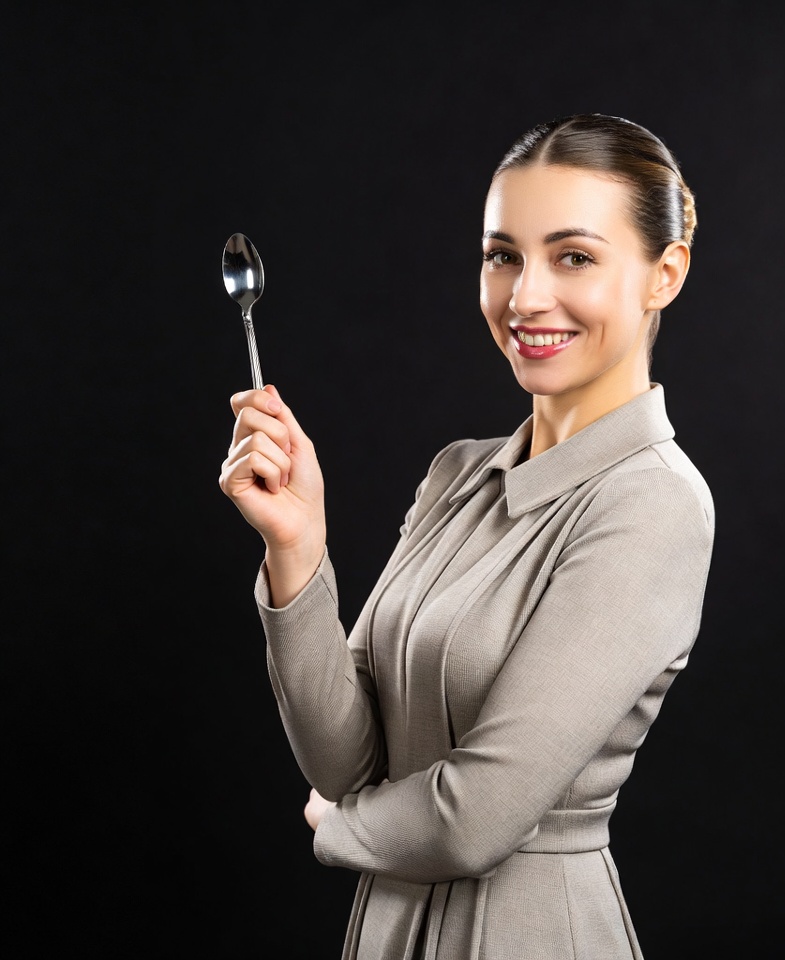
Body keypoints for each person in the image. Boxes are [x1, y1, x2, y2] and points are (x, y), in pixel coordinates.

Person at [219, 113, 715, 960]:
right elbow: (347, 761)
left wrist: (339, 828)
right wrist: (297, 551)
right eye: (502, 256)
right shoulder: (458, 473)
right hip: (386, 926)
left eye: (574, 257)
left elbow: (474, 819)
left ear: (662, 275)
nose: (525, 296)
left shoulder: (654, 505)